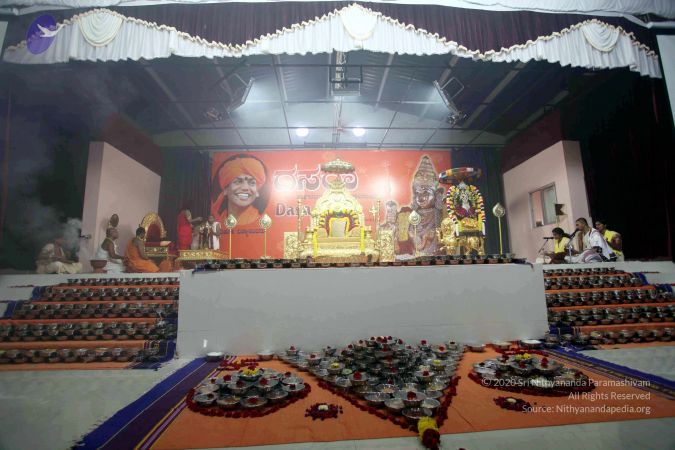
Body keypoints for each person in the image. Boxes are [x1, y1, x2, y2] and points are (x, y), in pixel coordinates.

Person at [211, 154, 270, 228]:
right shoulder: (219, 220)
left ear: (257, 192)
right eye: (238, 182)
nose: (245, 188)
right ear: (225, 189)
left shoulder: (261, 219)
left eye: (251, 183)